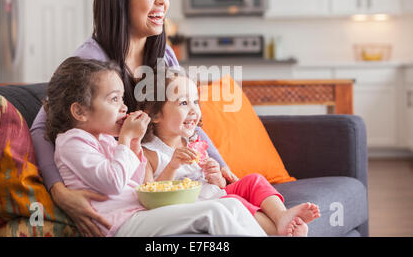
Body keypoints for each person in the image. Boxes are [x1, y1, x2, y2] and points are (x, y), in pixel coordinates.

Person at [30, 0, 229, 236]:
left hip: (159, 181)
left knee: (235, 206)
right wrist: (59, 192)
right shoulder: (91, 61)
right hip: (126, 196)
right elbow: (41, 127)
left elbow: (189, 119)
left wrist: (222, 166)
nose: (163, 1)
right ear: (119, 1)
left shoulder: (164, 56)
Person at [44, 56, 266, 237]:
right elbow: (112, 182)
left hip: (139, 214)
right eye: (114, 100)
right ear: (80, 111)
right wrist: (125, 140)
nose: (123, 107)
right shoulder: (72, 142)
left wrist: (133, 143)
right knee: (213, 211)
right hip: (120, 225)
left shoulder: (104, 139)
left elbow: (140, 183)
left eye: (122, 99)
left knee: (232, 206)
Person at [138, 70, 321, 236]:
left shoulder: (193, 141)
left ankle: (282, 216)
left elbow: (217, 184)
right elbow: (149, 198)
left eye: (195, 101)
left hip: (212, 192)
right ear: (155, 115)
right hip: (196, 205)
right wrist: (172, 166)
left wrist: (215, 175)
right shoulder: (149, 153)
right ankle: (278, 232)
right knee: (235, 201)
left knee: (253, 180)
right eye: (184, 103)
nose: (194, 110)